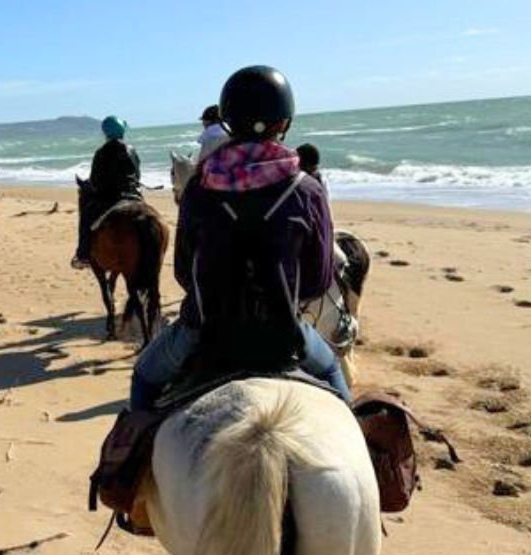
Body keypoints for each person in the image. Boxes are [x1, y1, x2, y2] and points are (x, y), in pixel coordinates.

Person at [129, 65, 350, 409]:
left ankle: (123, 459)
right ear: (285, 122)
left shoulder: (199, 189)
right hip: (283, 336)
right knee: (334, 374)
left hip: (203, 331)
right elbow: (316, 282)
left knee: (144, 377)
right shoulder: (307, 190)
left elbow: (184, 272)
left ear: (229, 121)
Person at [71, 116, 142, 269]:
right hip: (134, 194)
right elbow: (137, 174)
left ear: (106, 133)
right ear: (122, 131)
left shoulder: (101, 152)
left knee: (86, 216)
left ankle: (83, 255)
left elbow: (96, 181)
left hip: (110, 198)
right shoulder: (132, 149)